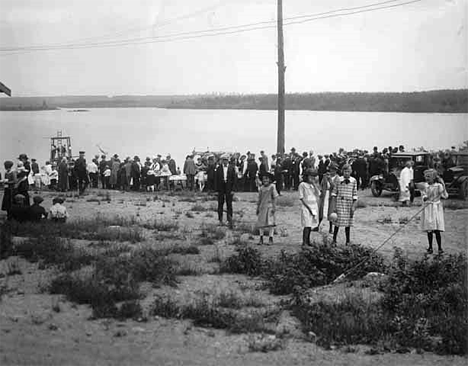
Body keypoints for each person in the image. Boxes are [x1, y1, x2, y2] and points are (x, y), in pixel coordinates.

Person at [420, 169, 448, 254]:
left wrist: (442, 184)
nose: (427, 178)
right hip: (428, 208)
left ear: (433, 177)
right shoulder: (424, 186)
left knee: (437, 229)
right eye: (426, 176)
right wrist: (426, 198)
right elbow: (423, 196)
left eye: (429, 177)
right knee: (429, 228)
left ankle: (440, 248)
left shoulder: (438, 186)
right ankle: (430, 247)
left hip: (436, 207)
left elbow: (445, 195)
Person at [331, 164, 358, 245]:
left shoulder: (353, 180)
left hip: (348, 203)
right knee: (337, 222)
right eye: (345, 171)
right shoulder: (339, 180)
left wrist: (353, 206)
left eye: (348, 171)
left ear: (351, 172)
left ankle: (348, 241)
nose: (346, 173)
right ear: (342, 171)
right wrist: (334, 205)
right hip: (340, 202)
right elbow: (334, 193)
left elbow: (355, 194)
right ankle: (334, 239)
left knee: (348, 223)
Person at [299, 169, 321, 246]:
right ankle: (304, 241)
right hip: (306, 206)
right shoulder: (302, 185)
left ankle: (308, 241)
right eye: (310, 176)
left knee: (311, 224)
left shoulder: (312, 185)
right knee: (306, 224)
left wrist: (314, 185)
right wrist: (308, 208)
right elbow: (301, 198)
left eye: (313, 176)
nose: (312, 178)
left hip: (314, 205)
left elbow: (318, 193)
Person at [256, 172, 279, 245]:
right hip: (262, 207)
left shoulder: (272, 187)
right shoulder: (261, 188)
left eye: (266, 179)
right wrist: (257, 208)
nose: (265, 180)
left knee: (270, 223)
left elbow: (275, 197)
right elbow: (259, 199)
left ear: (270, 179)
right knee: (261, 223)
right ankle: (261, 238)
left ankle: (271, 238)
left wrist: (274, 207)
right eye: (263, 179)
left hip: (269, 206)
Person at [215, 154, 237, 227]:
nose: (225, 161)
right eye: (223, 160)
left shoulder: (231, 168)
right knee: (220, 204)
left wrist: (233, 189)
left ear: (228, 160)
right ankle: (220, 219)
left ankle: (229, 219)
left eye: (226, 160)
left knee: (229, 204)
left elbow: (234, 179)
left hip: (229, 187)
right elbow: (216, 180)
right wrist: (216, 190)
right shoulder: (219, 168)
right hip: (221, 187)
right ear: (222, 160)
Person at [319, 163, 340, 234]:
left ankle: (331, 228)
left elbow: (336, 187)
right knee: (322, 209)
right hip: (325, 194)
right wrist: (321, 191)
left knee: (331, 211)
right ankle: (318, 225)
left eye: (334, 170)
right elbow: (322, 184)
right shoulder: (325, 176)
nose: (332, 171)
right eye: (331, 169)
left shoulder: (337, 178)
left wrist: (330, 181)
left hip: (332, 195)